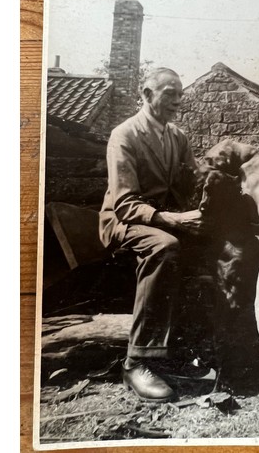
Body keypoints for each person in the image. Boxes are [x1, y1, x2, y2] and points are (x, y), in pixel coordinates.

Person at [99, 68, 206, 402]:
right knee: (166, 247)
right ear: (146, 94)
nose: (178, 100)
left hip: (161, 219)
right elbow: (125, 203)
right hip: (123, 221)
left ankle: (189, 350)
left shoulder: (177, 137)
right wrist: (174, 220)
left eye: (180, 93)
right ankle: (136, 362)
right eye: (169, 93)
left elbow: (193, 181)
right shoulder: (125, 135)